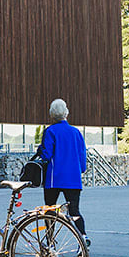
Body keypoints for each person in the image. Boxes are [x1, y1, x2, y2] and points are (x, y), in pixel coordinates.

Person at [35, 98, 89, 247]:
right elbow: (82, 156)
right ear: (66, 113)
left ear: (52, 114)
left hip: (54, 178)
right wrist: (80, 170)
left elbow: (46, 155)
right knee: (74, 211)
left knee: (50, 210)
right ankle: (82, 239)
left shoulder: (50, 131)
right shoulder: (76, 132)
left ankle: (50, 242)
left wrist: (40, 150)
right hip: (73, 178)